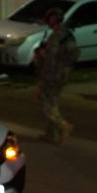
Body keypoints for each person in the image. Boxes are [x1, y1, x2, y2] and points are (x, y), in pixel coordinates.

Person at [33, 8, 79, 144]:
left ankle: (63, 125)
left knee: (43, 100)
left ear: (52, 19)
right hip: (64, 73)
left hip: (52, 74)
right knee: (52, 102)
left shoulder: (56, 36)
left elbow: (50, 58)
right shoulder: (68, 34)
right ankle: (51, 134)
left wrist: (40, 54)